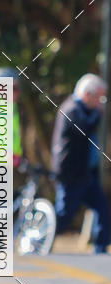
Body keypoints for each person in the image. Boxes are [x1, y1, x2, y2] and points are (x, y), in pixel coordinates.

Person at [51, 73, 110, 253]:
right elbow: (83, 130)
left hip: (84, 174)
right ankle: (40, 239)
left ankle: (100, 247)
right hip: (71, 174)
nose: (100, 102)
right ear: (87, 94)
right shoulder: (71, 109)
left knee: (102, 208)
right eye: (98, 97)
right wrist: (98, 114)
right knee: (64, 214)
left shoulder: (82, 109)